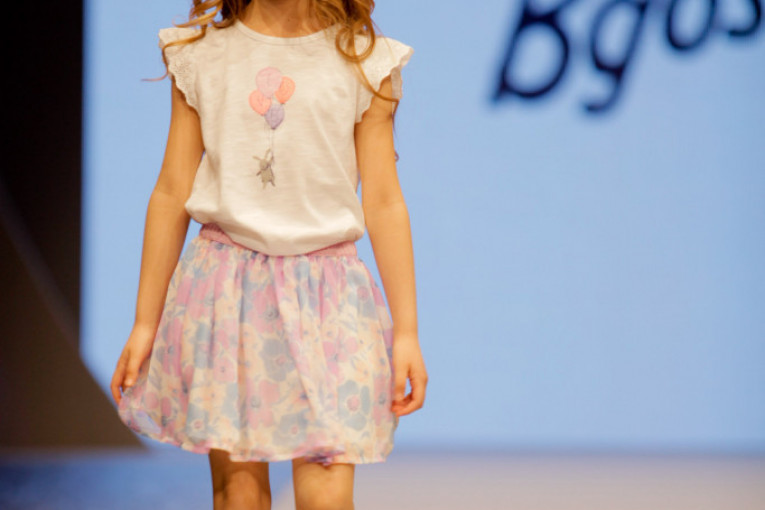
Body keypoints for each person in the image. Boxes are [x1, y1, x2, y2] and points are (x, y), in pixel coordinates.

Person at [109, 0, 427, 508]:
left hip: (329, 298)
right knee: (239, 492)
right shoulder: (203, 55)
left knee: (327, 494)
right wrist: (145, 322)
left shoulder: (366, 61)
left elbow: (385, 200)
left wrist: (407, 332)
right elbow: (172, 189)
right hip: (228, 291)